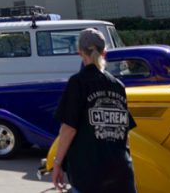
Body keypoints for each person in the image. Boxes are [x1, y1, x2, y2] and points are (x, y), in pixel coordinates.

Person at [51, 28, 137, 193]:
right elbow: (125, 134)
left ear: (80, 53)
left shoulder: (78, 83)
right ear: (104, 52)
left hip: (90, 176)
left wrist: (56, 164)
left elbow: (68, 128)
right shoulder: (118, 86)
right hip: (122, 173)